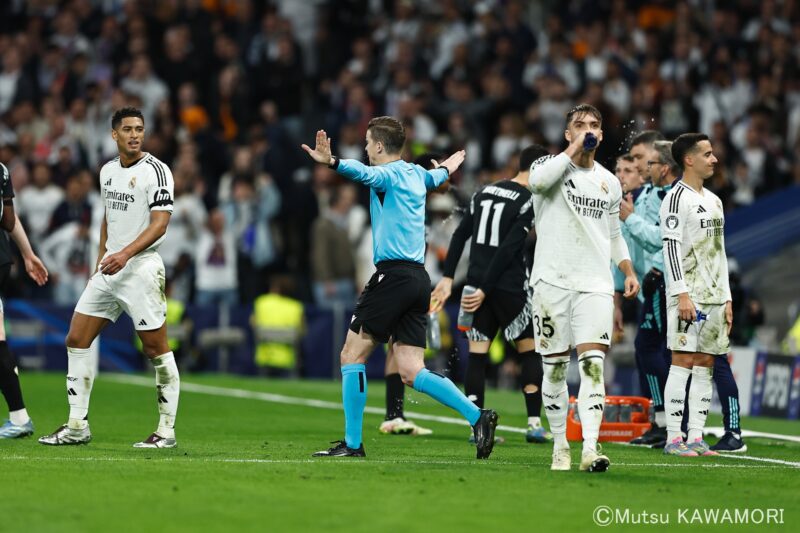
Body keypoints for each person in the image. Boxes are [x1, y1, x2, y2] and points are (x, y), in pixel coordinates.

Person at [301, 117, 498, 459]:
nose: (365, 149)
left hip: (391, 276)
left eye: (367, 143)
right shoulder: (418, 174)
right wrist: (449, 165)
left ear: (379, 146)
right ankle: (477, 416)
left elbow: (362, 173)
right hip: (419, 279)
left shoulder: (387, 174)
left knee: (351, 355)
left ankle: (352, 444)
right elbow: (438, 176)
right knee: (411, 369)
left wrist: (332, 161)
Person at [39, 107, 180, 449]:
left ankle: (166, 432)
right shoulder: (107, 171)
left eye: (139, 129)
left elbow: (160, 224)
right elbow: (107, 217)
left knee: (155, 349)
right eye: (128, 129)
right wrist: (102, 257)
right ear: (114, 134)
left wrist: (124, 254)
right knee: (76, 338)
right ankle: (77, 425)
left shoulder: (157, 171)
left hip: (141, 268)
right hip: (110, 267)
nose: (135, 135)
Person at [528, 104, 639, 473]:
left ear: (602, 134)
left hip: (594, 284)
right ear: (567, 133)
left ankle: (590, 447)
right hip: (551, 282)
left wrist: (627, 270)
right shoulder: (547, 167)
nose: (587, 130)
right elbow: (537, 185)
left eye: (593, 125)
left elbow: (614, 234)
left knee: (593, 366)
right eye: (579, 125)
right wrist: (574, 149)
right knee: (555, 370)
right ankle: (560, 444)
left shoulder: (609, 182)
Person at [431, 145, 552, 444]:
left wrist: (448, 277)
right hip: (509, 288)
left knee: (477, 355)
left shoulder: (483, 193)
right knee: (529, 350)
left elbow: (460, 235)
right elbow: (509, 248)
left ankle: (477, 426)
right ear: (538, 168)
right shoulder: (528, 200)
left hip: (474, 285)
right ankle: (534, 424)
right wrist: (488, 288)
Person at [660, 132, 730, 457]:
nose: (714, 159)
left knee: (705, 364)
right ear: (689, 159)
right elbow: (670, 249)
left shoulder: (714, 201)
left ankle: (696, 437)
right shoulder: (676, 198)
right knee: (682, 361)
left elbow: (720, 252)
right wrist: (681, 294)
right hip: (688, 295)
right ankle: (674, 438)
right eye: (707, 154)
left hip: (714, 296)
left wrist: (727, 297)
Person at [617, 132, 672, 448]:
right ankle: (662, 421)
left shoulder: (665, 196)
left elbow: (661, 239)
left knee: (653, 349)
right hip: (646, 285)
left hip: (662, 282)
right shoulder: (648, 194)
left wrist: (631, 219)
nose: (637, 165)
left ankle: (670, 423)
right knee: (651, 351)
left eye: (639, 159)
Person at [0, 162, 49, 439]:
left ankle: (19, 418)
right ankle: (19, 417)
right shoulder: (1, 170)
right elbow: (8, 218)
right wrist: (28, 254)